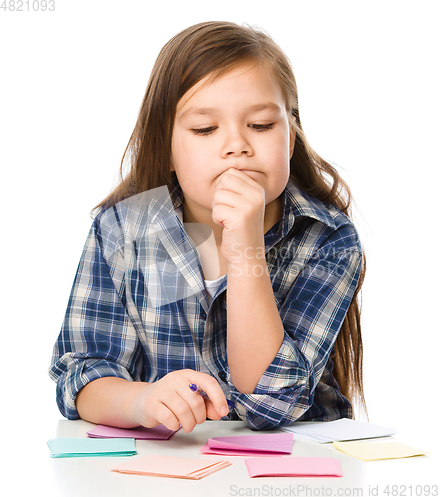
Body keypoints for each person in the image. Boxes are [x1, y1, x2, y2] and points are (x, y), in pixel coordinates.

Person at [49, 21, 366, 432]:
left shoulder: (328, 240)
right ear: (166, 149)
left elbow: (269, 402)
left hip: (292, 468)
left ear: (290, 139)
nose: (236, 145)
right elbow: (82, 375)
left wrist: (245, 247)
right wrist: (141, 400)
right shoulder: (124, 231)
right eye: (205, 129)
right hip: (170, 469)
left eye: (261, 126)